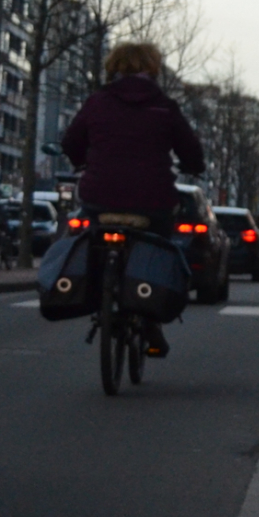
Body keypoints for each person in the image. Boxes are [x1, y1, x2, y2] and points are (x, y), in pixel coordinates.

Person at [61, 42, 205, 357]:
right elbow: (191, 149)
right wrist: (194, 167)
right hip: (151, 201)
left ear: (113, 67)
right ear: (152, 69)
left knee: (93, 236)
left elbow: (71, 141)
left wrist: (81, 161)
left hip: (100, 197)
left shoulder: (97, 102)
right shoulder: (164, 106)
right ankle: (151, 321)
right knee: (156, 247)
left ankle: (100, 295)